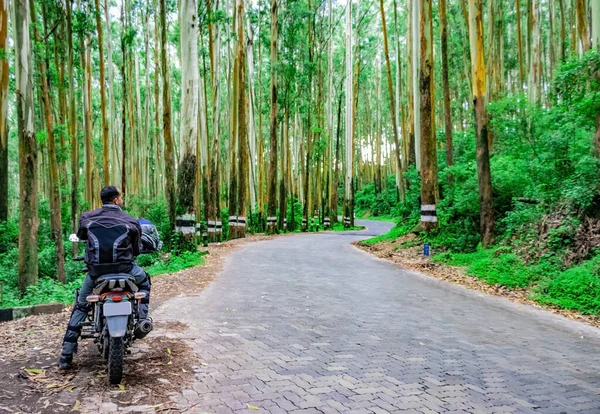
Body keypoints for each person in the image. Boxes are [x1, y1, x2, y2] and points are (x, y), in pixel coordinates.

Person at [58, 186, 153, 370]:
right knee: (145, 282)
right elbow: (135, 250)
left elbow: (81, 236)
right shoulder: (131, 221)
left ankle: (65, 356)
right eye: (121, 197)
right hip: (126, 270)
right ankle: (142, 319)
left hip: (96, 273)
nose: (122, 199)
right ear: (116, 200)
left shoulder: (87, 218)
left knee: (81, 305)